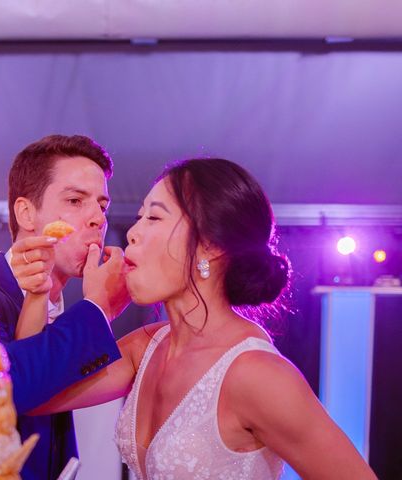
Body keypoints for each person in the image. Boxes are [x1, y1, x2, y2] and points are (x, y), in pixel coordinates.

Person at [28, 158, 377, 479]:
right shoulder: (146, 347)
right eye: (138, 218)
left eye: (154, 217)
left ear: (210, 245)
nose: (132, 233)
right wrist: (40, 292)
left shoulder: (257, 375)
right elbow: (30, 393)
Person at [0, 134, 130, 480]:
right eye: (76, 200)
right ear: (26, 213)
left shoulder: (58, 312)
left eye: (102, 205)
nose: (98, 218)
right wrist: (98, 308)